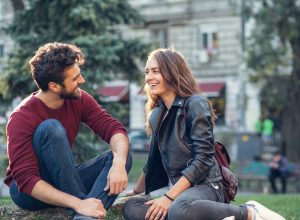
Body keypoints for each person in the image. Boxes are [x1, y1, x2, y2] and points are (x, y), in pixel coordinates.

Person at [122, 48, 285, 220]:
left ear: (172, 72)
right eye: (147, 72)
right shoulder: (157, 114)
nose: (148, 78)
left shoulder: (195, 103)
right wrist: (136, 192)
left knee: (180, 209)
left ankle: (249, 211)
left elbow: (203, 159)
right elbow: (153, 160)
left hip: (207, 185)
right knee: (132, 207)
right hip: (180, 191)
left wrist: (169, 197)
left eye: (156, 71)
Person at [4, 42, 132, 220]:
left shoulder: (80, 99)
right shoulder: (21, 117)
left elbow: (114, 129)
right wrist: (78, 202)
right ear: (54, 86)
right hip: (29, 192)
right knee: (51, 128)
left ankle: (84, 217)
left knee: (121, 157)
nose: (82, 81)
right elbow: (26, 180)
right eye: (75, 79)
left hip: (64, 180)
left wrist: (118, 165)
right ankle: (81, 206)